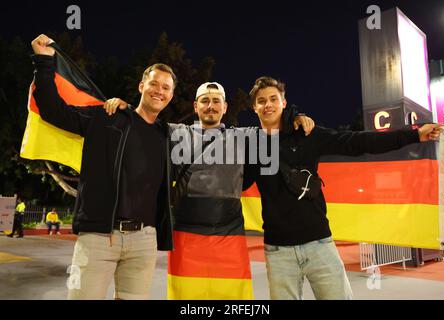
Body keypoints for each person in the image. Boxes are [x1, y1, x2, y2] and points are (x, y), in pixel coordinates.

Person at [103, 82, 314, 299]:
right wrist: (125, 109)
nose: (210, 106)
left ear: (225, 107)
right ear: (196, 106)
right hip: (187, 241)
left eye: (216, 101)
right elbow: (142, 125)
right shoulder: (175, 133)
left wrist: (295, 117)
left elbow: (275, 127)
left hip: (229, 240)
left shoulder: (245, 137)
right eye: (205, 101)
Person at [244, 76, 444, 300]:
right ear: (254, 108)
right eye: (261, 101)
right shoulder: (250, 145)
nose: (268, 104)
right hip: (278, 250)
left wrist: (414, 134)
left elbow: (357, 142)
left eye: (274, 98)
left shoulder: (307, 134)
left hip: (319, 244)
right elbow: (234, 182)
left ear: (283, 102)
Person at [30, 34, 175, 300]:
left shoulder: (168, 136)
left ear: (171, 95)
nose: (159, 91)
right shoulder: (107, 118)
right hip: (98, 237)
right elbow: (53, 110)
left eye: (166, 88)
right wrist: (43, 61)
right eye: (154, 84)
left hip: (144, 240)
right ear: (142, 86)